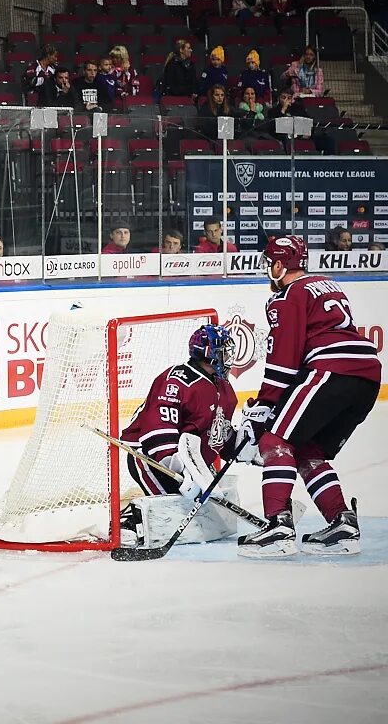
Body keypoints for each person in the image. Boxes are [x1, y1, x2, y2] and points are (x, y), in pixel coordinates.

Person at [236, 235, 381, 557]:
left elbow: (284, 359)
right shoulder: (328, 284)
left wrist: (265, 404)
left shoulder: (286, 296)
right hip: (367, 376)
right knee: (307, 448)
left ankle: (278, 528)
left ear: (277, 264)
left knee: (274, 443)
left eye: (268, 263)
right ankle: (341, 522)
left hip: (330, 370)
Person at [118, 325, 239, 547]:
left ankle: (139, 507)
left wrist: (242, 443)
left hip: (193, 464)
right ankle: (128, 522)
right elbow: (157, 429)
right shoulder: (177, 380)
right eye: (223, 351)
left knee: (207, 516)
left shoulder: (224, 387)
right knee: (172, 515)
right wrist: (180, 467)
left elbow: (217, 431)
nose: (228, 357)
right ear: (207, 353)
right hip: (153, 458)